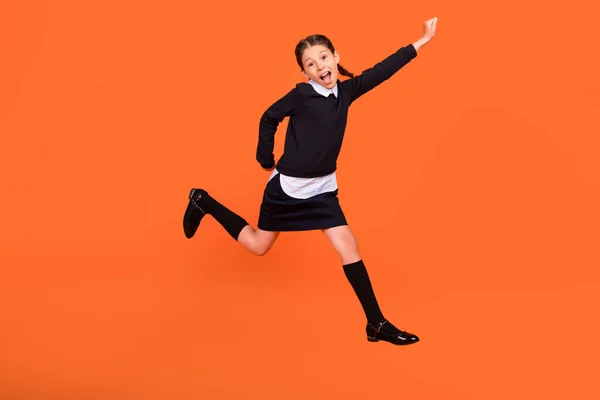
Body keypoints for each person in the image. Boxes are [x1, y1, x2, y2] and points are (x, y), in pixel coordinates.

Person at [183, 17, 438, 346]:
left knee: (348, 246)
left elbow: (382, 70)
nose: (319, 65)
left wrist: (422, 41)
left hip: (322, 191)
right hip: (288, 190)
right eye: (310, 63)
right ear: (305, 73)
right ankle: (202, 201)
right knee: (258, 246)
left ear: (336, 57)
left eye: (323, 57)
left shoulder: (346, 92)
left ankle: (376, 323)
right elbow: (269, 117)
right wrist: (265, 158)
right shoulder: (302, 94)